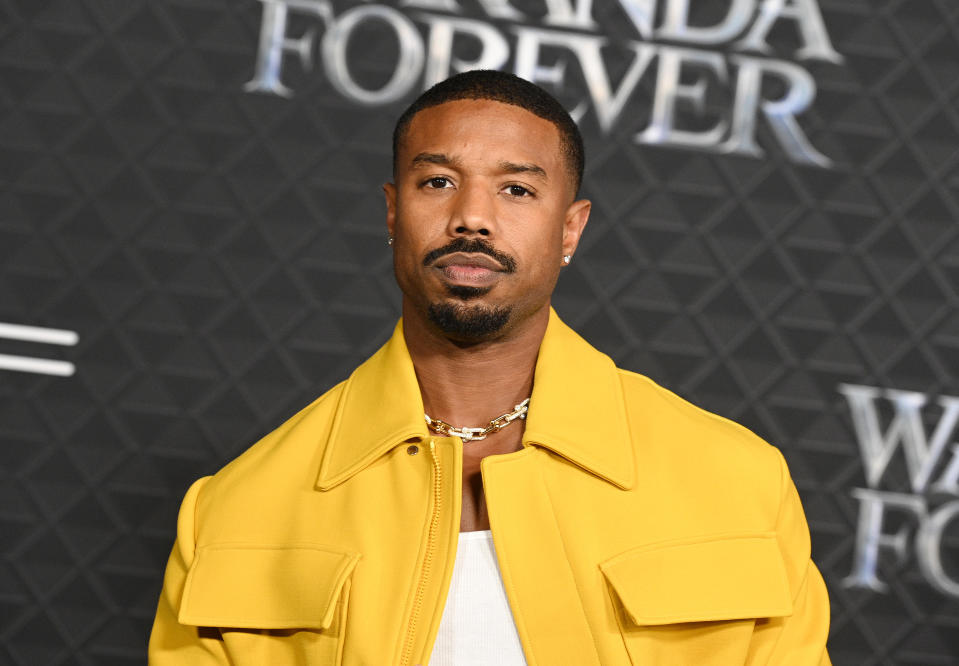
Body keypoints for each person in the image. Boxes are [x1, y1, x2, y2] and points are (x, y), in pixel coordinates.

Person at [149, 70, 831, 665]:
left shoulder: (735, 481)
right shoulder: (236, 510)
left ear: (570, 228)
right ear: (392, 211)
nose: (470, 217)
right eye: (438, 181)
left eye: (516, 191)